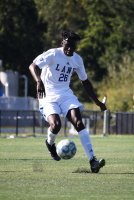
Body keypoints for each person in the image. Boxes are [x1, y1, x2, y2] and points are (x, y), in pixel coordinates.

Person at [29, 30, 107, 173]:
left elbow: (85, 82)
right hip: (48, 95)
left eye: (73, 46)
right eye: (67, 46)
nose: (70, 49)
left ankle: (93, 161)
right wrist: (38, 81)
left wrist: (97, 101)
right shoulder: (53, 53)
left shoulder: (77, 60)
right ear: (62, 43)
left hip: (66, 95)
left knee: (78, 122)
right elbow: (33, 66)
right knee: (56, 125)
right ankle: (50, 143)